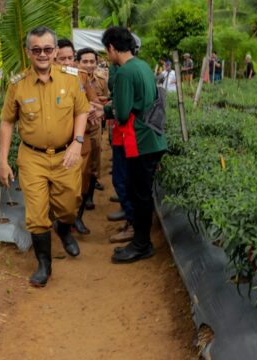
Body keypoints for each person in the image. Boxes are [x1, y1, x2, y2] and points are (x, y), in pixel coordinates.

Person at [0, 26, 91, 287]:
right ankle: (44, 265)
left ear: (55, 52)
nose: (42, 54)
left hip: (66, 156)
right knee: (37, 214)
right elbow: (6, 122)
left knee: (70, 204)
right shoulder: (17, 85)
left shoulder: (71, 79)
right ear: (29, 52)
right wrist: (3, 161)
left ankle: (63, 228)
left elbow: (81, 111)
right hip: (32, 158)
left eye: (48, 49)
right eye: (36, 49)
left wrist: (78, 141)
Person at [97, 26, 167, 263]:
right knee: (142, 193)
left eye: (107, 51)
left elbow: (124, 113)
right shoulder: (143, 65)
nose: (108, 56)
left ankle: (141, 244)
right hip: (152, 137)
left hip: (140, 141)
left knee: (139, 195)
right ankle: (140, 240)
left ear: (112, 48)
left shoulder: (126, 72)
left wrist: (108, 109)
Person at [54, 39, 91, 235]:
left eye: (70, 58)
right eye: (62, 59)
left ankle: (75, 219)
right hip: (55, 143)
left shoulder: (82, 77)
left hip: (79, 141)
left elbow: (91, 101)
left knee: (79, 185)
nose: (67, 63)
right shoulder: (46, 79)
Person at [76, 47, 110, 217]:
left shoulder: (102, 80)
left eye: (92, 62)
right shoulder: (72, 80)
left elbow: (104, 102)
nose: (89, 65)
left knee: (93, 165)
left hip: (94, 128)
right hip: (76, 131)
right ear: (78, 62)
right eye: (85, 61)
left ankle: (88, 197)